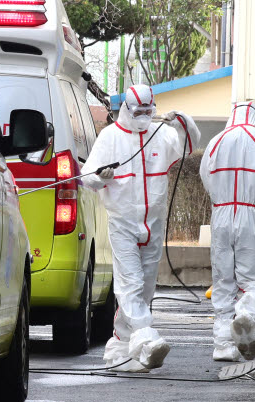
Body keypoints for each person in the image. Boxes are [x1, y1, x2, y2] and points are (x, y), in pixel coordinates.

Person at [81, 84, 200, 372]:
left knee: (145, 288)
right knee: (130, 283)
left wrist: (183, 121)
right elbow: (87, 176)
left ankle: (122, 347)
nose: (144, 117)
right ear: (126, 109)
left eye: (149, 111)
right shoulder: (111, 137)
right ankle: (146, 338)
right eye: (139, 111)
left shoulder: (162, 135)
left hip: (154, 222)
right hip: (123, 220)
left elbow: (190, 145)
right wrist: (102, 177)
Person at [200, 103, 255, 362]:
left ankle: (223, 344)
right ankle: (245, 315)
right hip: (253, 214)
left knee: (223, 281)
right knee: (254, 280)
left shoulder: (215, 142)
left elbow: (206, 179)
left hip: (221, 214)